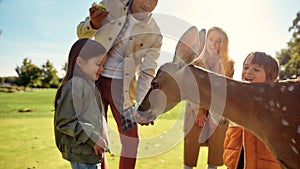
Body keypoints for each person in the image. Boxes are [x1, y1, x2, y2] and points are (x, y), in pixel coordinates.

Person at [77, 1, 162, 169]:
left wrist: (141, 105)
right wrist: (93, 24)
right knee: (95, 136)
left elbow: (147, 73)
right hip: (95, 80)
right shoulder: (110, 3)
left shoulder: (155, 34)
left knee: (131, 140)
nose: (148, 3)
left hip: (123, 88)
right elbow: (81, 33)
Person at [183, 27, 235, 169]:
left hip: (218, 111)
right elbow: (192, 91)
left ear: (223, 44)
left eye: (218, 41)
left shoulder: (228, 65)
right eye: (210, 39)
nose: (213, 44)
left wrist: (215, 115)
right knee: (189, 155)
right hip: (195, 109)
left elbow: (224, 93)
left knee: (215, 155)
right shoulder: (195, 62)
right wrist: (200, 111)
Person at [54, 38, 109, 169]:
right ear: (80, 62)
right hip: (82, 155)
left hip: (89, 154)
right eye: (98, 64)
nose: (102, 69)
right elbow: (65, 121)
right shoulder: (75, 86)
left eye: (103, 65)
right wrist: (93, 138)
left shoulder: (89, 86)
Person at [223, 52, 281, 169]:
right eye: (246, 67)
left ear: (270, 77)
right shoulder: (236, 96)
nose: (248, 72)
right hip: (236, 158)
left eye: (256, 69)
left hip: (263, 162)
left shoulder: (274, 101)